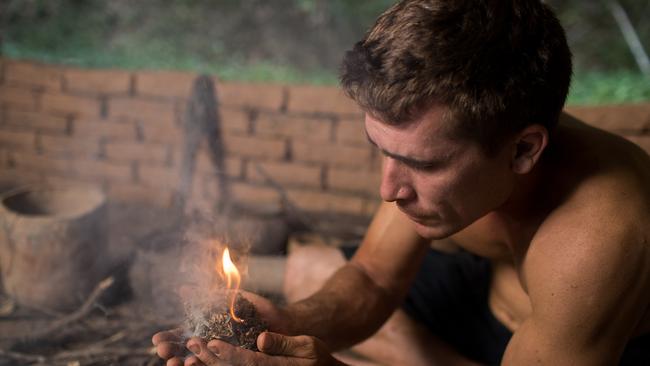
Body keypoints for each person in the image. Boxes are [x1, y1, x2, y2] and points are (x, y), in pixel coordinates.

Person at [153, 0, 650, 365]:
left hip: (584, 341)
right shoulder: (446, 164)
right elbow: (372, 279)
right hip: (485, 299)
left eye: (424, 165)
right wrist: (284, 327)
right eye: (383, 153)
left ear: (523, 150)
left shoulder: (604, 233)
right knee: (308, 273)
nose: (389, 190)